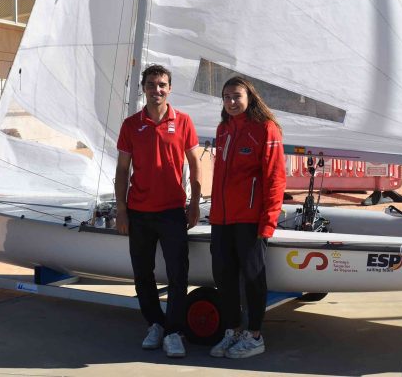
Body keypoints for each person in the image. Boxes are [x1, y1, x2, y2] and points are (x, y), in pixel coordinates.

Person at [115, 64, 201, 359]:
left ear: (170, 88)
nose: (157, 90)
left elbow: (194, 164)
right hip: (139, 213)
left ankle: (174, 331)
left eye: (162, 84)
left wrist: (194, 204)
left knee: (179, 274)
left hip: (173, 212)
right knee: (142, 274)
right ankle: (154, 323)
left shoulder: (184, 121)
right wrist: (121, 210)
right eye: (151, 85)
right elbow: (122, 170)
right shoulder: (131, 125)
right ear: (144, 88)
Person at [208, 76, 286, 359]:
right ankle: (233, 330)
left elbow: (276, 179)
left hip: (251, 220)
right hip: (222, 219)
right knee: (224, 277)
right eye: (226, 97)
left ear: (249, 97)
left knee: (253, 278)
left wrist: (268, 223)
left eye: (236, 96)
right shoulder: (223, 129)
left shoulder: (266, 129)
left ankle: (254, 335)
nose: (231, 102)